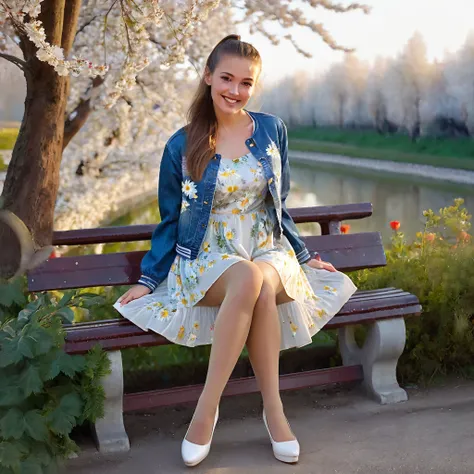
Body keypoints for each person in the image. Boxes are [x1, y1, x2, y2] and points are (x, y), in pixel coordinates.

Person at [114, 34, 357, 467]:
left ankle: (229, 411)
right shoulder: (181, 144)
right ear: (208, 76)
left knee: (259, 278)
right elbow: (170, 219)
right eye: (226, 78)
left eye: (246, 82)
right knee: (249, 280)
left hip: (267, 247)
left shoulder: (271, 130)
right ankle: (253, 411)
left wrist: (302, 256)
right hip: (207, 254)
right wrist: (149, 279)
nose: (235, 90)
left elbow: (279, 205)